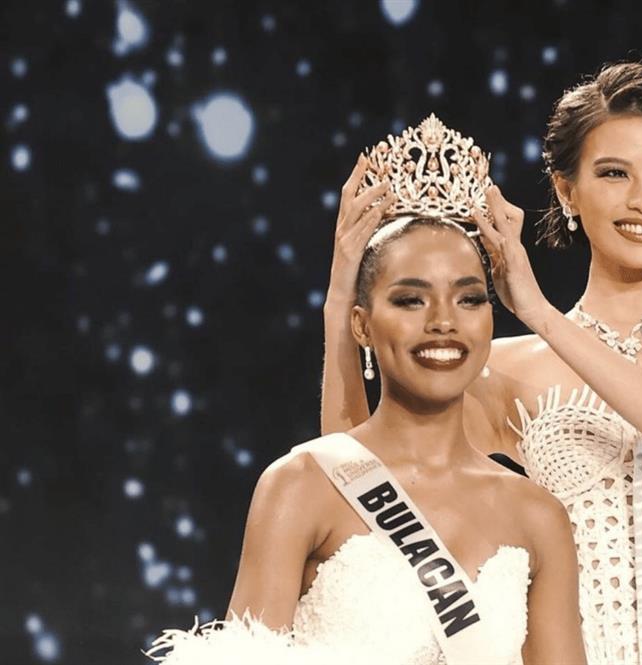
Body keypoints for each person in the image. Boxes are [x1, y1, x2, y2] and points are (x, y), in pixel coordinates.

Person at [321, 65, 642, 664]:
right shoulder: (506, 371)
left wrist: (539, 314)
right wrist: (340, 302)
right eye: (614, 173)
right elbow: (358, 486)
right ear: (567, 192)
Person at [149, 117, 585, 665]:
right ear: (361, 324)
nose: (443, 322)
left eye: (469, 299)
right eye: (410, 300)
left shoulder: (538, 516)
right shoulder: (301, 485)